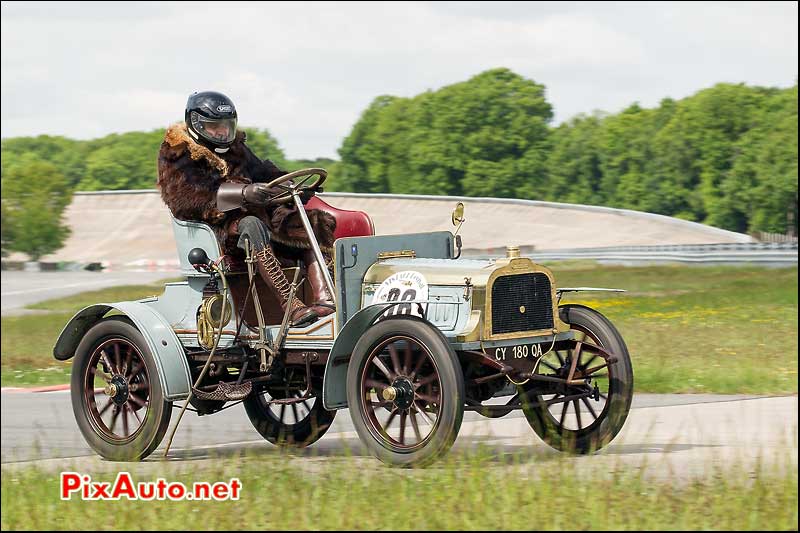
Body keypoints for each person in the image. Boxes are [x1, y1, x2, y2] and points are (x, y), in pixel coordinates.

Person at [156, 91, 336, 327]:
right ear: (197, 124)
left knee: (313, 222)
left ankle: (327, 300)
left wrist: (291, 187)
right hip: (216, 231)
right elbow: (184, 200)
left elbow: (266, 174)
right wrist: (242, 194)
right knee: (251, 224)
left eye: (226, 125)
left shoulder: (237, 148)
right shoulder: (178, 153)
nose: (222, 132)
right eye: (215, 126)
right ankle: (291, 306)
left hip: (258, 220)